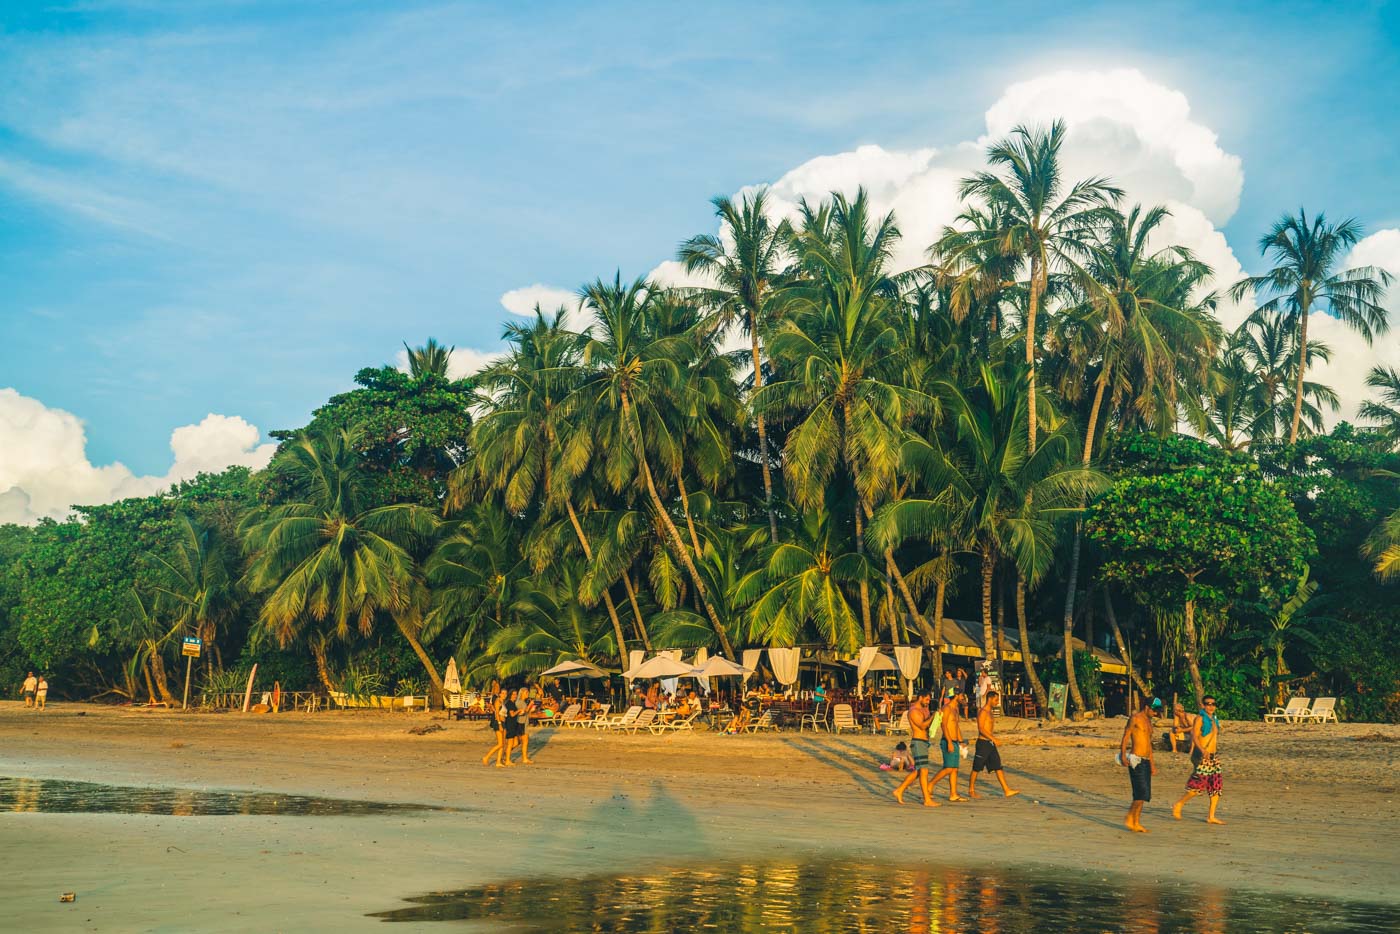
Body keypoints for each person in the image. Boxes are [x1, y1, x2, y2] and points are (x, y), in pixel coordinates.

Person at [1173, 696, 1225, 825]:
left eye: (1213, 704)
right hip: (1202, 756)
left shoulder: (1214, 719)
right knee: (1197, 786)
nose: (1211, 706)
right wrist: (1202, 750)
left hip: (1213, 756)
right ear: (1203, 705)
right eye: (1208, 704)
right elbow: (1194, 736)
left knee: (1216, 787)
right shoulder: (1200, 718)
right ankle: (1179, 804)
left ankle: (1211, 816)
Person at [1120, 695, 1162, 833]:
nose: (1155, 713)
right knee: (1141, 793)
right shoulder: (1135, 718)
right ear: (1147, 707)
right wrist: (1122, 754)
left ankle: (1136, 822)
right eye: (1154, 710)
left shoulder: (1149, 722)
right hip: (1135, 759)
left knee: (1144, 795)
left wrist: (1152, 764)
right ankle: (1129, 817)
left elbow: (1149, 745)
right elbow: (1126, 736)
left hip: (1146, 760)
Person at [968, 690, 1019, 798]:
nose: (997, 702)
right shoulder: (982, 712)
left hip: (990, 744)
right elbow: (981, 729)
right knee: (977, 767)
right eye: (996, 700)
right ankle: (971, 790)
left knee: (998, 766)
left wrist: (992, 740)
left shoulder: (990, 712)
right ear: (990, 699)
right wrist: (994, 739)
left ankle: (1006, 790)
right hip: (983, 743)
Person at [892, 689, 938, 807]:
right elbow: (922, 725)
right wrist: (933, 715)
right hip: (918, 742)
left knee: (918, 771)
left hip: (924, 742)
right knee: (924, 770)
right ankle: (926, 799)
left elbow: (929, 724)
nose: (928, 702)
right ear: (920, 697)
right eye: (926, 699)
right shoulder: (913, 711)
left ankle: (899, 790)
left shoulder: (924, 709)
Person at [930, 689, 966, 801]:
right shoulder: (947, 708)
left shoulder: (956, 709)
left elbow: (956, 726)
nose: (963, 699)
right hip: (947, 740)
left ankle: (953, 794)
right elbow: (944, 725)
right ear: (956, 696)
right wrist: (949, 742)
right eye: (962, 696)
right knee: (948, 768)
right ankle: (930, 784)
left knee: (954, 769)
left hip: (955, 741)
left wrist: (961, 741)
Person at [482, 689, 509, 768]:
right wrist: (499, 724)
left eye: (505, 693)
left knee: (503, 744)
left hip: (504, 723)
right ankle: (486, 757)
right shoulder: (498, 701)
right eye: (503, 693)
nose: (504, 695)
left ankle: (498, 761)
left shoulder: (503, 702)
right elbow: (496, 713)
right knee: (500, 744)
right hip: (499, 723)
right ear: (499, 694)